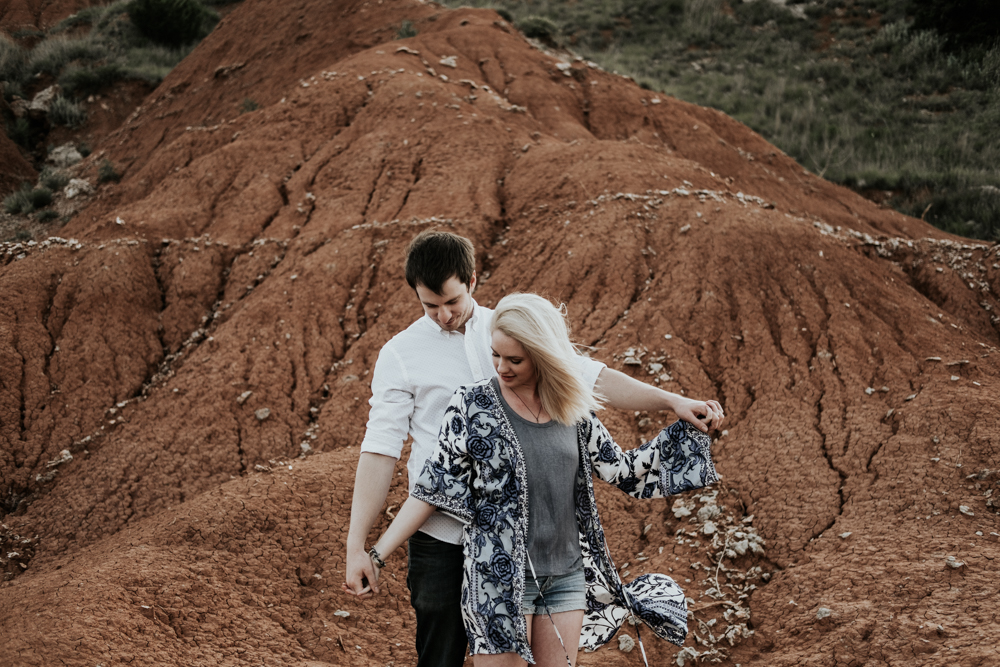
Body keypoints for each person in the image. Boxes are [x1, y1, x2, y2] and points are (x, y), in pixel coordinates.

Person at [343, 230, 723, 667]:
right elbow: (382, 449)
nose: (444, 316)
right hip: (444, 532)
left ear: (471, 280)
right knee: (440, 654)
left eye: (452, 301)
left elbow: (589, 378)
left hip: (544, 556)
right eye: (430, 306)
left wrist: (673, 401)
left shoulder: (511, 328)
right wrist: (362, 548)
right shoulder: (402, 355)